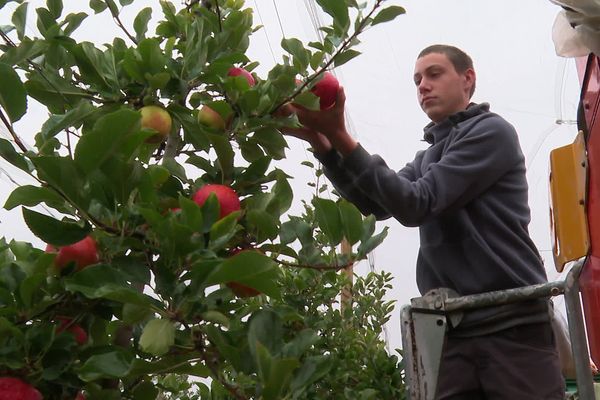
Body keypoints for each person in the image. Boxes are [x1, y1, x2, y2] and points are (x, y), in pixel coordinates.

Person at [281, 44, 565, 399]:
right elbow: (380, 203)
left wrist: (339, 134)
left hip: (511, 323)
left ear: (467, 79)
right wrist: (322, 143)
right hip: (455, 328)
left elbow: (418, 203)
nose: (423, 86)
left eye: (434, 74)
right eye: (417, 80)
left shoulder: (491, 133)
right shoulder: (428, 155)